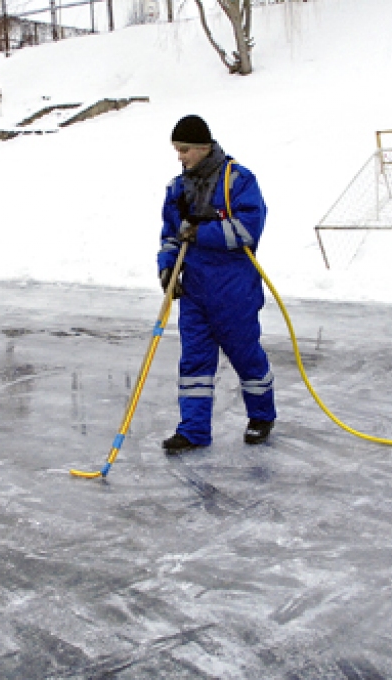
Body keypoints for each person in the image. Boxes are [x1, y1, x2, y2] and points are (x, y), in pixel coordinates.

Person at [157, 114, 276, 453]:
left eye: (184, 150)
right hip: (195, 289)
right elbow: (169, 235)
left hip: (233, 288)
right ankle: (193, 430)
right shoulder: (177, 188)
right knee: (194, 360)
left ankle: (261, 416)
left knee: (245, 355)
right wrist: (167, 269)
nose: (180, 157)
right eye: (177, 150)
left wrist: (200, 232)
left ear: (203, 147)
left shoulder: (237, 180)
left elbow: (249, 229)